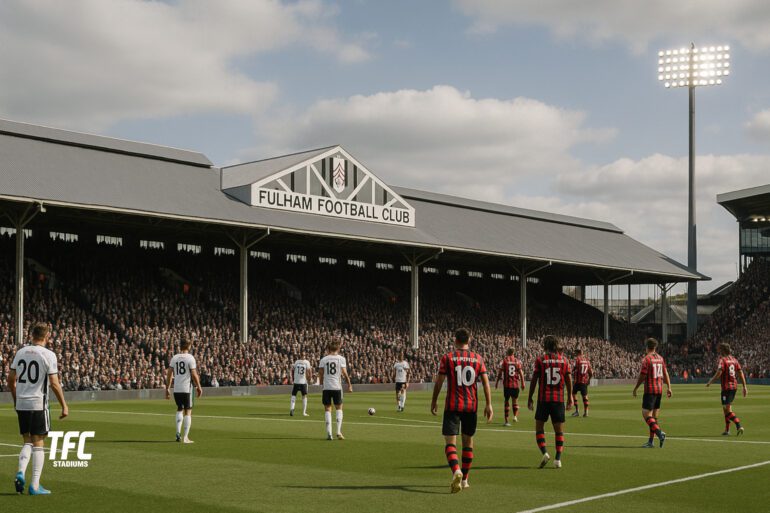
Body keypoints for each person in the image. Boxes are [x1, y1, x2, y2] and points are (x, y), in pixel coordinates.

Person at [7, 322, 68, 495]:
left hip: (22, 403)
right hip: (38, 403)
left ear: (32, 335)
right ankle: (34, 485)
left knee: (27, 440)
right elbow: (54, 383)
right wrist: (64, 405)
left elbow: (10, 380)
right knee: (38, 442)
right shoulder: (48, 354)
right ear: (47, 336)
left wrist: (16, 399)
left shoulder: (20, 352)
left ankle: (21, 471)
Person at [431, 328, 493, 493]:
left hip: (453, 406)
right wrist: (489, 404)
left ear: (455, 340)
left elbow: (439, 381)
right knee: (468, 442)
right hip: (471, 406)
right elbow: (486, 382)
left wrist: (434, 400)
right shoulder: (478, 358)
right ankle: (464, 479)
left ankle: (456, 470)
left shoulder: (448, 358)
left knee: (450, 443)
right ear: (469, 340)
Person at [528, 335, 572, 469]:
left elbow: (534, 380)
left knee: (539, 428)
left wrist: (530, 397)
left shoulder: (540, 360)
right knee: (559, 431)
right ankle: (558, 459)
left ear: (545, 346)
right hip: (558, 400)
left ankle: (545, 452)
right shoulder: (564, 360)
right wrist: (570, 397)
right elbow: (569, 380)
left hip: (543, 400)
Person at [632, 338, 671, 448]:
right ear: (655, 347)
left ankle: (660, 433)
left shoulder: (647, 359)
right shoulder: (660, 358)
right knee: (654, 417)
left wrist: (636, 388)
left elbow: (643, 375)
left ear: (646, 347)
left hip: (650, 390)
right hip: (659, 390)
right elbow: (665, 373)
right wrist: (669, 387)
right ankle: (651, 441)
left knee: (646, 415)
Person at [165, 338, 203, 444]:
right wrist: (199, 387)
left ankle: (178, 433)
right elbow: (194, 374)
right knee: (188, 411)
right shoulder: (190, 358)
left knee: (179, 409)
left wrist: (167, 387)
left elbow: (169, 373)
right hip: (187, 389)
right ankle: (185, 437)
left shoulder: (175, 358)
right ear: (189, 346)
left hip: (177, 389)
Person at [706, 343, 747, 436]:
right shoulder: (735, 360)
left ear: (723, 350)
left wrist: (711, 381)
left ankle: (738, 425)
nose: (718, 351)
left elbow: (719, 373)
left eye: (719, 349)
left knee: (727, 410)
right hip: (734, 387)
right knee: (726, 409)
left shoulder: (723, 360)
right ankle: (727, 430)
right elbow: (741, 373)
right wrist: (744, 386)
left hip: (726, 388)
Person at [318, 339, 353, 440]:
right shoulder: (341, 359)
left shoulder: (324, 359)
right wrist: (349, 385)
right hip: (337, 387)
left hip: (327, 388)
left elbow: (320, 373)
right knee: (339, 408)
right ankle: (338, 431)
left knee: (327, 409)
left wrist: (321, 383)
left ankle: (329, 433)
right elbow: (345, 373)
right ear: (338, 348)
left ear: (328, 349)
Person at [494, 347, 525, 426]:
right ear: (513, 352)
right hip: (515, 385)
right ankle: (515, 417)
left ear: (507, 352)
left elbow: (500, 373)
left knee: (507, 402)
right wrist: (523, 383)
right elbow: (521, 373)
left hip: (507, 385)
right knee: (515, 401)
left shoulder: (504, 361)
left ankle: (506, 421)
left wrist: (497, 382)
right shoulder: (517, 361)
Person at [571, 348, 592, 417]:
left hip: (577, 381)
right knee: (585, 396)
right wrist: (589, 380)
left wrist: (571, 372)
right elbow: (591, 372)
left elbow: (574, 368)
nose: (575, 353)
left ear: (578, 352)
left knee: (574, 394)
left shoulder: (577, 359)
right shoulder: (587, 360)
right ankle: (586, 412)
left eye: (576, 352)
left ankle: (577, 411)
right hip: (584, 381)